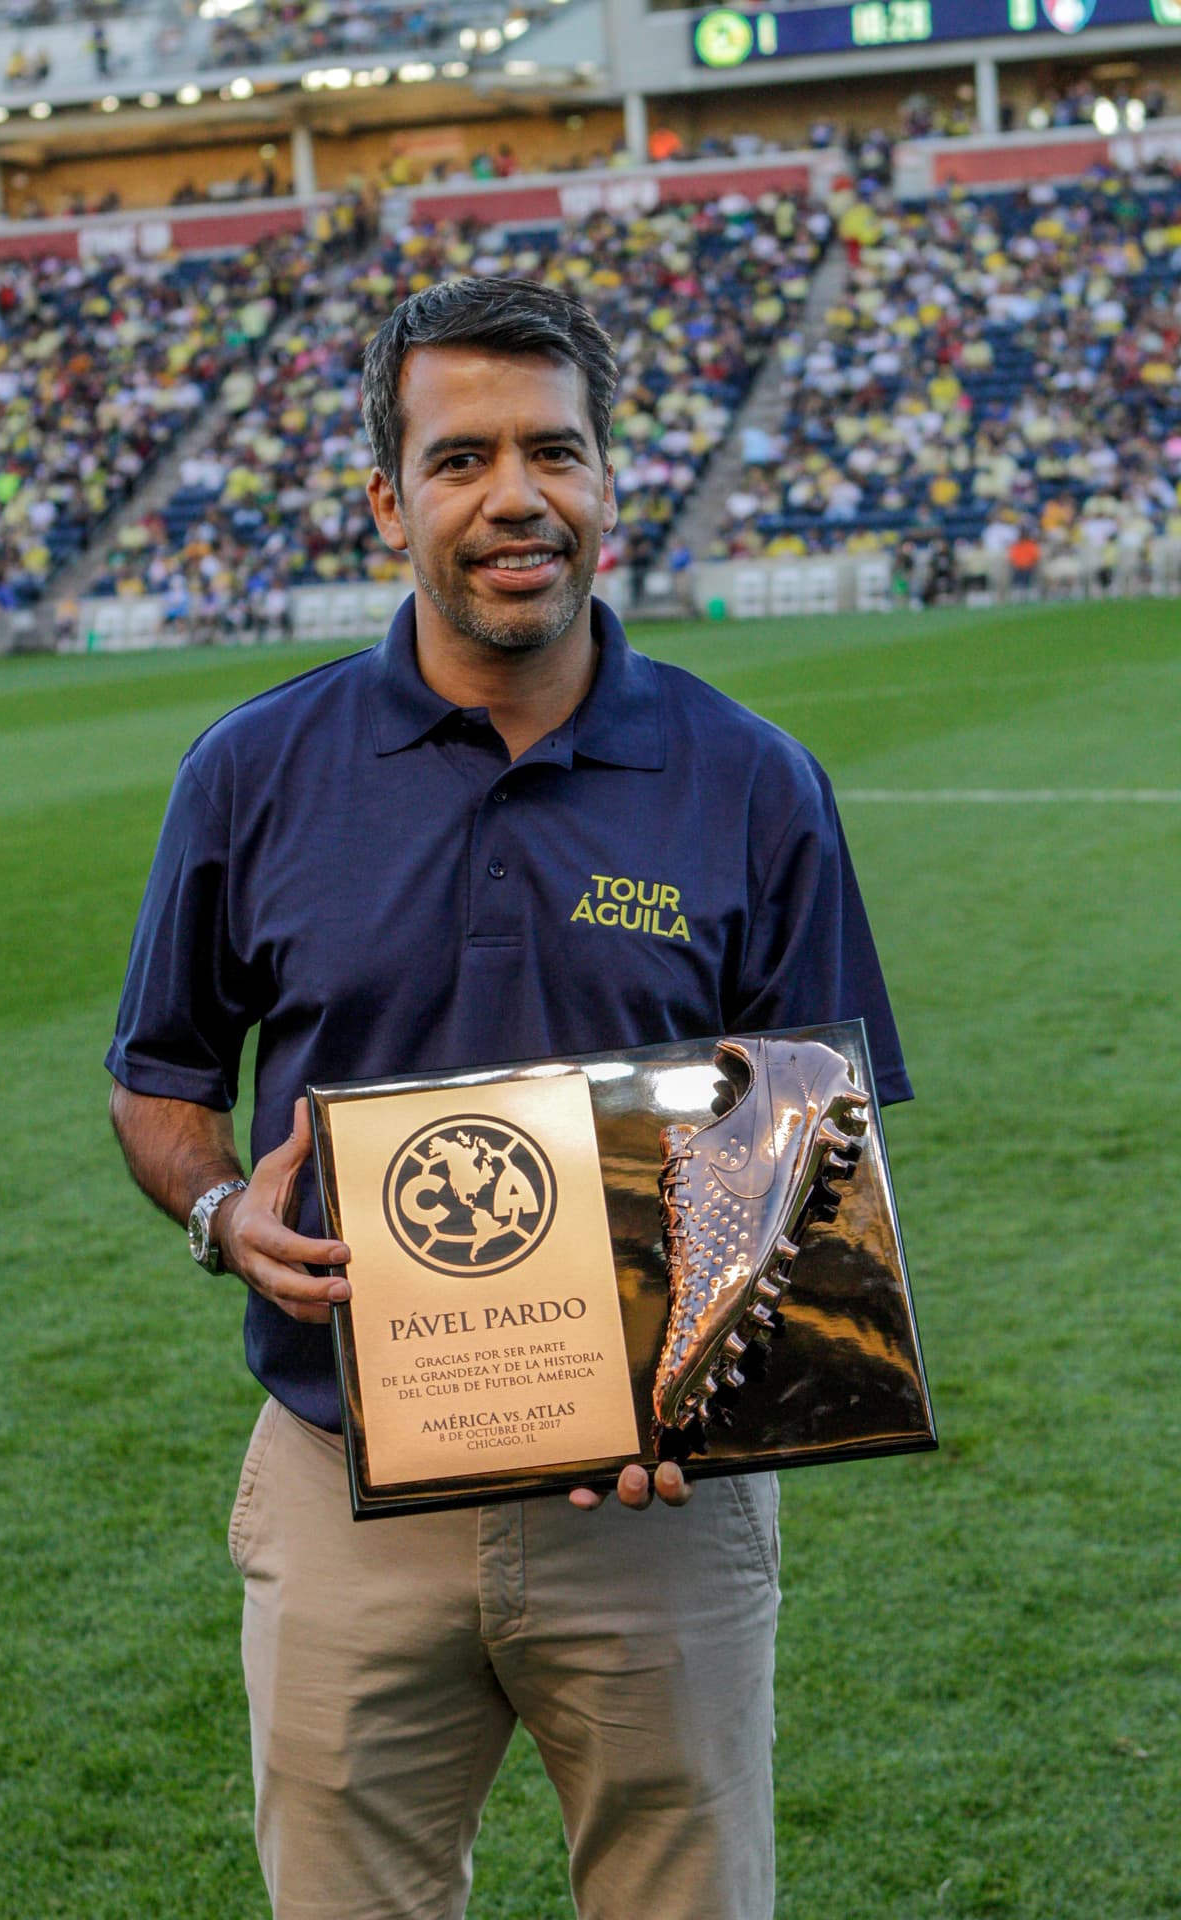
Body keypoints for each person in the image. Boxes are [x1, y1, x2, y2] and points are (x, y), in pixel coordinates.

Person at [106, 277, 911, 1920]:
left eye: (557, 451)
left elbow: (814, 1147)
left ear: (610, 483)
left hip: (656, 1512)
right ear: (391, 499)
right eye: (463, 457)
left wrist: (710, 1380)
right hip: (346, 1487)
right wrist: (215, 1205)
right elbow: (164, 1079)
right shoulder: (251, 772)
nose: (516, 499)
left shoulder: (751, 777)